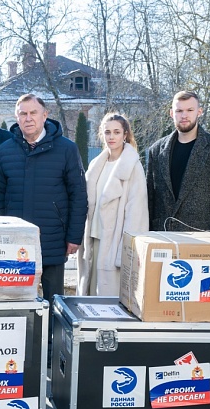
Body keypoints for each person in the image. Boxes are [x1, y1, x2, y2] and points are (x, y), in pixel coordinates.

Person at [0, 93, 87, 307]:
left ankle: (54, 342)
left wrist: (74, 236)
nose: (28, 118)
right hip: (14, 243)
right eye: (23, 113)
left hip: (53, 239)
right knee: (18, 303)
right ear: (17, 118)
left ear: (45, 115)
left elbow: (78, 195)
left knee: (55, 303)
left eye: (33, 112)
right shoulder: (4, 151)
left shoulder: (66, 149)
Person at [77, 113, 148, 296]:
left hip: (114, 242)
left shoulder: (133, 166)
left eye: (116, 132)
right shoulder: (96, 165)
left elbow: (136, 212)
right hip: (92, 238)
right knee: (89, 295)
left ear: (125, 134)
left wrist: (125, 252)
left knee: (108, 298)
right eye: (107, 132)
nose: (111, 137)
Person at [146, 90, 210, 232]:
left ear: (199, 112)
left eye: (189, 110)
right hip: (163, 237)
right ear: (171, 113)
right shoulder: (156, 150)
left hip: (202, 239)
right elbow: (150, 199)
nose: (184, 115)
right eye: (179, 110)